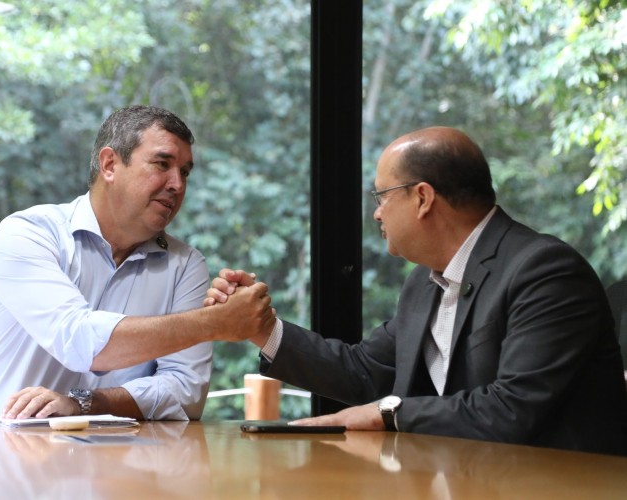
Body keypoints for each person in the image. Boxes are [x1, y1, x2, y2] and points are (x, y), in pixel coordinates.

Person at [206, 126, 627, 455]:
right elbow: (364, 371)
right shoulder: (423, 282)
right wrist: (262, 328)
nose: (376, 213)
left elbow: (512, 409)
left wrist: (387, 413)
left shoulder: (545, 271)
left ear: (423, 198)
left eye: (382, 196)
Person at [0, 105, 275, 421]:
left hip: (116, 452)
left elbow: (186, 392)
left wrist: (85, 404)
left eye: (185, 172)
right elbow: (79, 342)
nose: (177, 185)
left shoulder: (185, 264)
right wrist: (214, 322)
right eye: (162, 164)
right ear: (110, 164)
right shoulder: (28, 233)